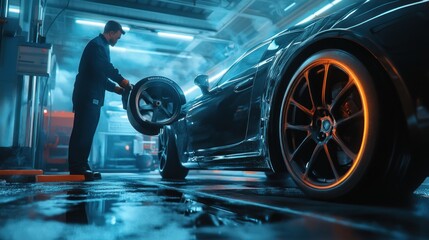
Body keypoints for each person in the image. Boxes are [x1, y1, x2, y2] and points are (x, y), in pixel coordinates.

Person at [68, 20, 131, 181]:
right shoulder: (97, 46)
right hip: (87, 96)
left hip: (92, 96)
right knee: (82, 132)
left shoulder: (101, 46)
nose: (117, 40)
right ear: (111, 32)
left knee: (87, 132)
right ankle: (77, 168)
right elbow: (106, 68)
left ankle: (82, 164)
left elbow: (99, 75)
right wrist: (121, 81)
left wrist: (116, 89)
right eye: (117, 37)